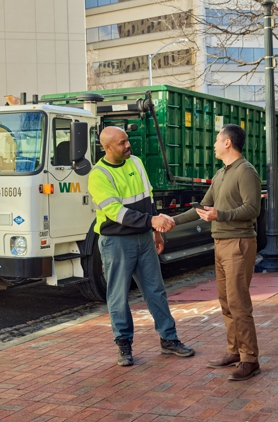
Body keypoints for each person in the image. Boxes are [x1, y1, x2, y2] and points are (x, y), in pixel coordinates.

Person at [87, 126, 195, 367]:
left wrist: (155, 230)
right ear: (107, 147)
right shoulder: (99, 175)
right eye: (122, 143)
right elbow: (115, 211)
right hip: (116, 241)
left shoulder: (135, 162)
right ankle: (123, 344)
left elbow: (149, 197)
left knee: (156, 290)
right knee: (118, 296)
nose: (128, 146)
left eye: (127, 141)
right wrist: (152, 222)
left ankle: (169, 339)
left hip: (144, 238)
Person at [172, 124, 261, 381]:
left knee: (238, 302)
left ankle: (250, 359)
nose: (213, 144)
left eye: (216, 140)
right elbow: (203, 207)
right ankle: (234, 351)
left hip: (239, 244)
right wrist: (172, 221)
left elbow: (252, 209)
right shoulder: (221, 173)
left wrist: (220, 215)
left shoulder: (246, 172)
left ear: (228, 143)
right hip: (220, 243)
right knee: (226, 301)